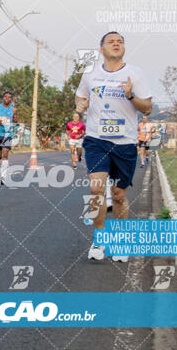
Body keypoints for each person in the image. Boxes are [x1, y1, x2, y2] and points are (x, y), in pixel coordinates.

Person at [75, 31, 152, 262]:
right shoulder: (90, 75)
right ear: (102, 49)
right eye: (111, 41)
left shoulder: (135, 74)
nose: (116, 44)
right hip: (96, 139)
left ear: (124, 48)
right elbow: (80, 98)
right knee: (96, 189)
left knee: (118, 195)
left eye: (120, 42)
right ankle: (98, 240)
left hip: (125, 141)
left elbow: (147, 108)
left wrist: (130, 96)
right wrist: (80, 105)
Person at [0, 91, 17, 183]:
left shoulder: (13, 110)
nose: (7, 98)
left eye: (9, 97)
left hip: (7, 134)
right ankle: (0, 160)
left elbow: (15, 121)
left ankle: (3, 177)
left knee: (5, 155)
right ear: (3, 98)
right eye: (5, 96)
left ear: (11, 99)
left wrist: (14, 121)